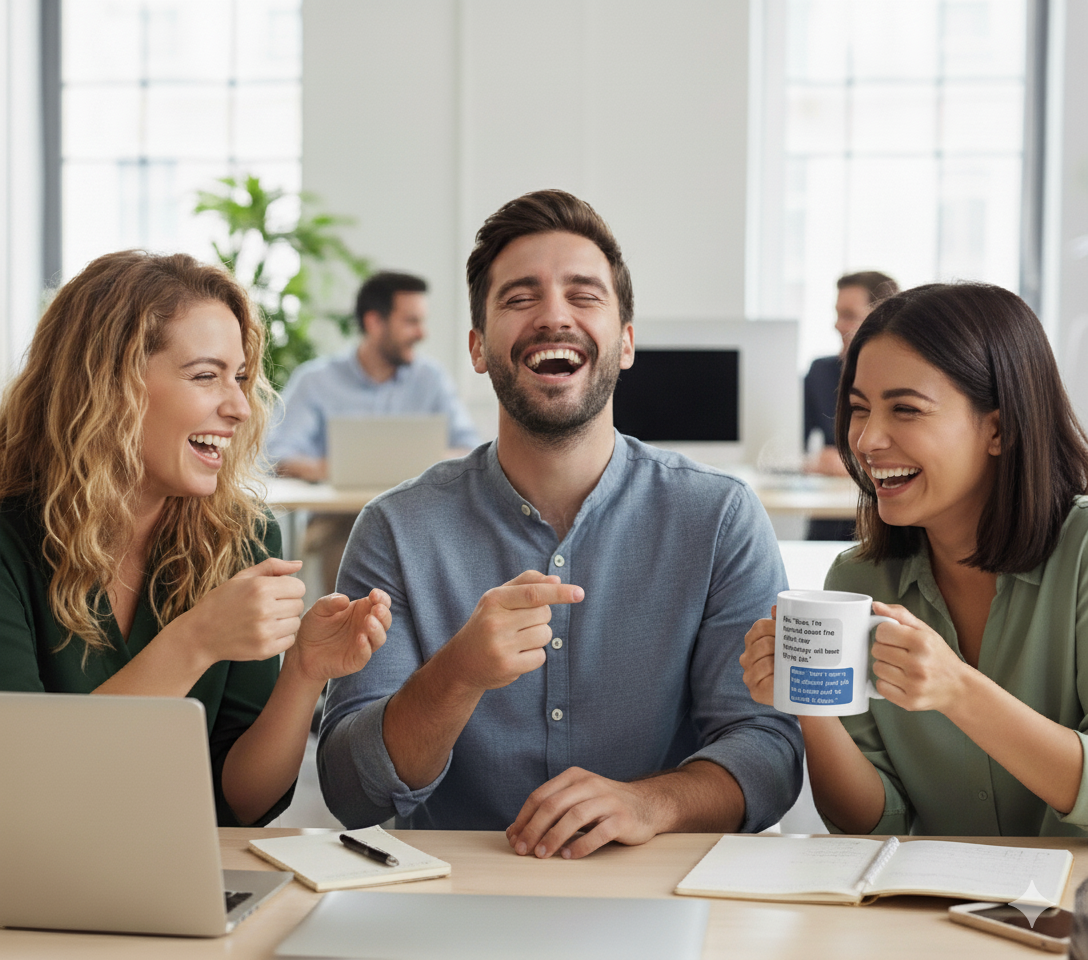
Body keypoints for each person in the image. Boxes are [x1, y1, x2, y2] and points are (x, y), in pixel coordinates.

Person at [318, 189, 802, 859]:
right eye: (519, 299)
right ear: (479, 348)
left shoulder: (719, 517)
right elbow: (350, 789)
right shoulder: (395, 528)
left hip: (658, 890)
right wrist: (455, 675)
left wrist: (652, 802)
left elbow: (769, 752)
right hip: (452, 900)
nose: (553, 317)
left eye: (584, 295)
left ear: (626, 342)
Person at [0, 250, 391, 827]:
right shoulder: (12, 542)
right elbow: (26, 783)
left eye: (239, 378)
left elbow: (240, 801)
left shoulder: (243, 539)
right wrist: (199, 639)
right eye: (205, 375)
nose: (237, 407)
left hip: (185, 878)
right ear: (108, 386)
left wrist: (305, 672)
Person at [741, 282, 1088, 837]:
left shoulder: (1084, 553)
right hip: (929, 917)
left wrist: (957, 690)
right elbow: (869, 825)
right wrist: (805, 696)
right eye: (859, 409)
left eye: (906, 408)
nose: (867, 439)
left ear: (997, 428)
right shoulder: (859, 579)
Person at [267, 270, 479, 482]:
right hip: (337, 514)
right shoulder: (314, 381)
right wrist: (346, 471)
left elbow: (471, 449)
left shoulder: (432, 379)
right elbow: (277, 456)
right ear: (374, 322)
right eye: (411, 322)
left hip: (415, 512)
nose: (422, 334)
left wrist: (418, 464)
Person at [804, 271, 898, 541]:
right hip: (830, 515)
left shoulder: (910, 381)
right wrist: (816, 461)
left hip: (885, 512)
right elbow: (797, 449)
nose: (837, 325)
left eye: (848, 315)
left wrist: (852, 464)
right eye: (837, 314)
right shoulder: (821, 372)